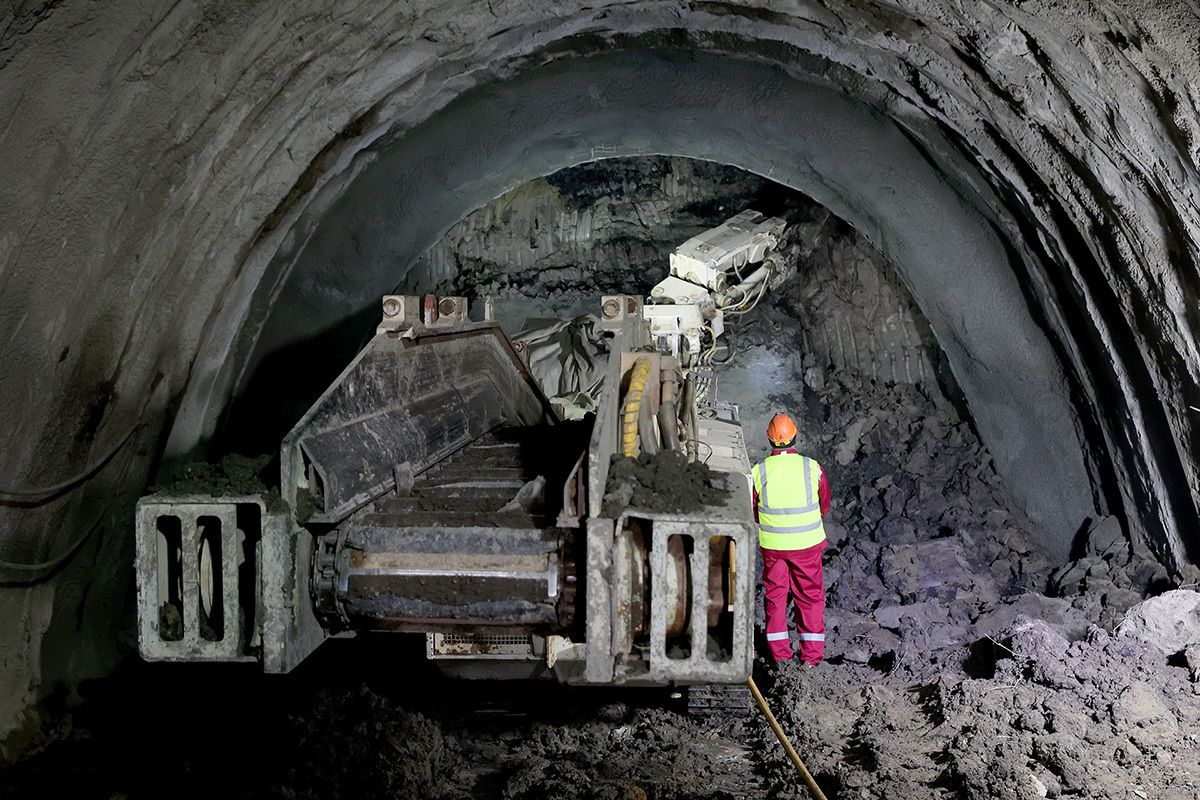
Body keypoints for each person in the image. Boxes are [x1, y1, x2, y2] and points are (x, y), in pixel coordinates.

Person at [751, 412, 831, 665]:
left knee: (775, 597)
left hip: (773, 548)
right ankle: (811, 659)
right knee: (809, 598)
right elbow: (824, 505)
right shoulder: (811, 467)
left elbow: (753, 510)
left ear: (769, 440)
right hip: (807, 547)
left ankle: (781, 658)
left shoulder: (758, 470)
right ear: (795, 436)